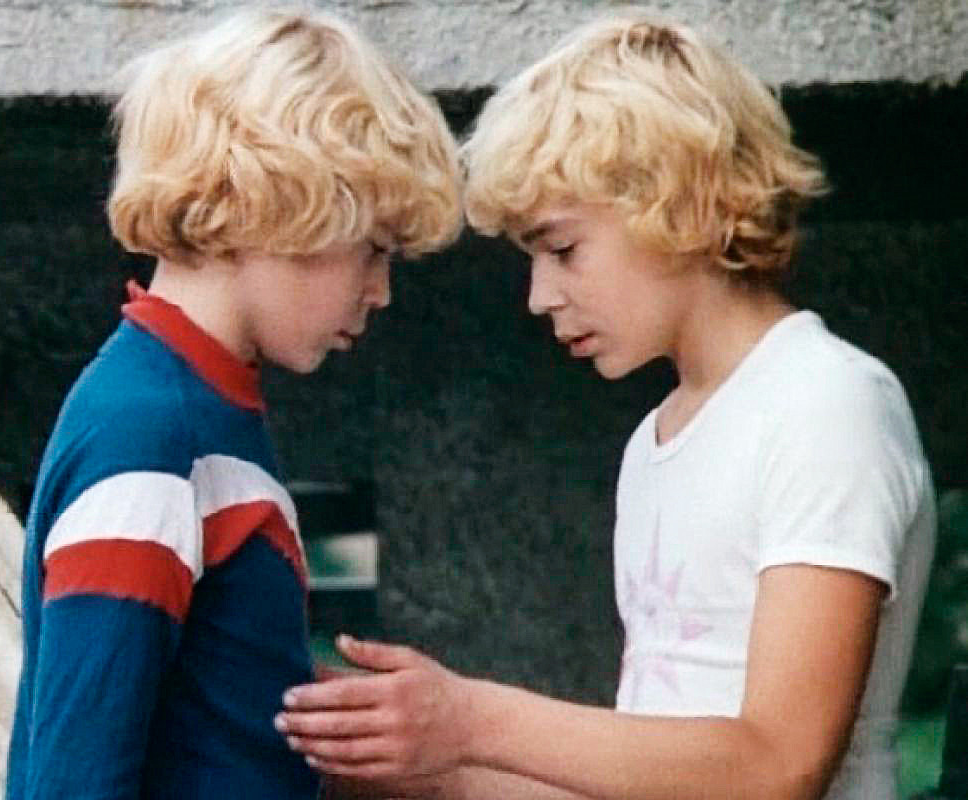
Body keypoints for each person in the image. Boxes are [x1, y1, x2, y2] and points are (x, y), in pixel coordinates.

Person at [276, 11, 936, 800]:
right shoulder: (659, 438)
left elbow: (775, 766)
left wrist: (471, 719)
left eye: (562, 249)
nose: (540, 296)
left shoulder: (825, 403)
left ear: (676, 200)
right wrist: (393, 757)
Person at [3, 9, 461, 799]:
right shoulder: (151, 435)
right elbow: (75, 780)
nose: (381, 291)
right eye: (373, 249)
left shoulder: (193, 412)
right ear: (278, 203)